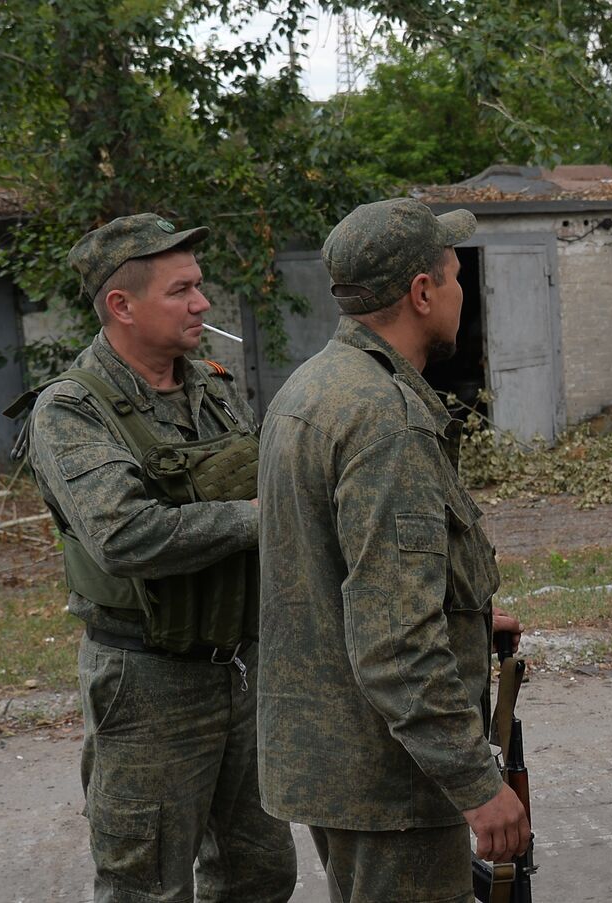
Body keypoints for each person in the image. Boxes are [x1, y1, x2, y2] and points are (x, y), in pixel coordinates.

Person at [16, 213, 296, 902]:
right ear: (122, 305)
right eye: (181, 290)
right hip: (146, 683)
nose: (203, 303)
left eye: (199, 286)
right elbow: (125, 535)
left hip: (239, 669)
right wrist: (258, 519)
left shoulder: (213, 387)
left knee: (260, 873)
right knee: (145, 886)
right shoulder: (72, 411)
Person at [256, 198, 529, 903]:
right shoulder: (386, 420)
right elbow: (396, 642)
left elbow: (333, 571)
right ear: (422, 291)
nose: (463, 289)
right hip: (390, 780)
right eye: (455, 272)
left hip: (337, 757)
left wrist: (465, 615)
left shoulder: (312, 388)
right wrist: (477, 784)